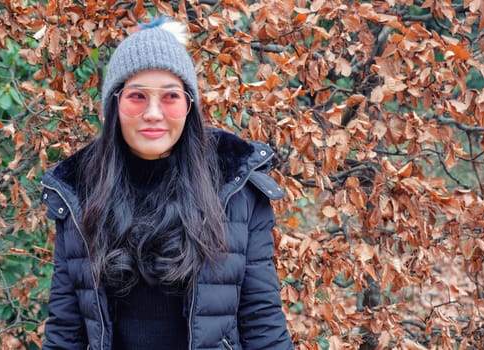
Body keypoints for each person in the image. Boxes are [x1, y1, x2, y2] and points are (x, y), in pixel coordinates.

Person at [40, 15, 294, 350]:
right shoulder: (78, 192)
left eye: (170, 96)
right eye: (137, 96)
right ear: (115, 105)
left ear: (189, 106)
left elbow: (262, 320)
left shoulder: (237, 188)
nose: (154, 113)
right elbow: (65, 330)